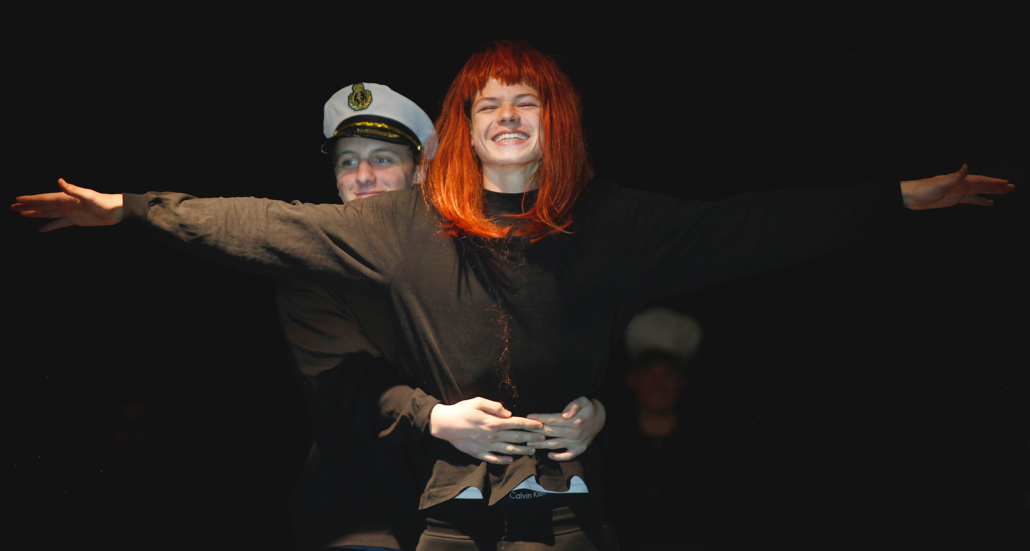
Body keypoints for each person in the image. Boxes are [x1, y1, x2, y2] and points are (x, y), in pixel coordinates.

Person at [12, 40, 1014, 550]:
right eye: (485, 103)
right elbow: (261, 224)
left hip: (557, 491)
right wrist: (132, 208)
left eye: (522, 101)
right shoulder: (396, 228)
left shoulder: (608, 220)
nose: (503, 113)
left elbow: (745, 226)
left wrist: (896, 197)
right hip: (418, 495)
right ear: (462, 126)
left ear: (553, 120)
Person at [275, 83, 608, 550]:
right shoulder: (313, 268)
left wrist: (593, 409)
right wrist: (435, 417)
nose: (363, 176)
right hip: (364, 515)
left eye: (382, 159)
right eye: (348, 162)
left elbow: (541, 343)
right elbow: (349, 385)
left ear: (419, 173)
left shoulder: (468, 252)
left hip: (475, 512)